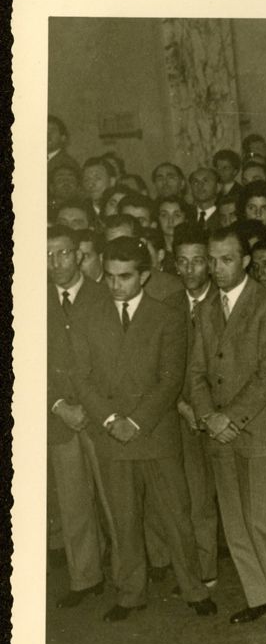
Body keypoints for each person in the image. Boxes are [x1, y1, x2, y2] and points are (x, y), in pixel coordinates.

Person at [71, 235, 215, 622]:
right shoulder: (88, 317)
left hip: (155, 433)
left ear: (145, 276)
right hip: (111, 435)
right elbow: (82, 379)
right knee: (124, 519)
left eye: (125, 276)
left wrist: (135, 421)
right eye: (110, 276)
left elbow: (170, 378)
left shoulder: (167, 315)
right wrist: (109, 420)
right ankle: (130, 593)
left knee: (176, 516)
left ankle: (193, 588)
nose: (115, 284)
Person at [189, 226, 266, 631]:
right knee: (236, 522)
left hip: (258, 430)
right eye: (212, 260)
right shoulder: (205, 310)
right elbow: (196, 373)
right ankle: (260, 596)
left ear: (244, 261)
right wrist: (208, 416)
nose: (217, 268)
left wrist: (229, 418)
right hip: (220, 433)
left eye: (225, 260)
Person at [46, 225, 107, 608]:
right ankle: (86, 577)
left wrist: (92, 405)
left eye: (64, 253)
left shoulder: (102, 296)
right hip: (60, 417)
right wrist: (58, 406)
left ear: (80, 256)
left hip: (99, 413)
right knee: (73, 502)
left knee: (114, 498)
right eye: (48, 255)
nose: (56, 263)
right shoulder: (31, 299)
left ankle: (129, 574)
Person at [172, 223, 222, 587]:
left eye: (198, 261)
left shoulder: (224, 302)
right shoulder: (169, 304)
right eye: (183, 262)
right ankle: (203, 569)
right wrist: (183, 406)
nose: (190, 270)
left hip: (221, 413)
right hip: (182, 413)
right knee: (195, 495)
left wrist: (207, 410)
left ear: (210, 264)